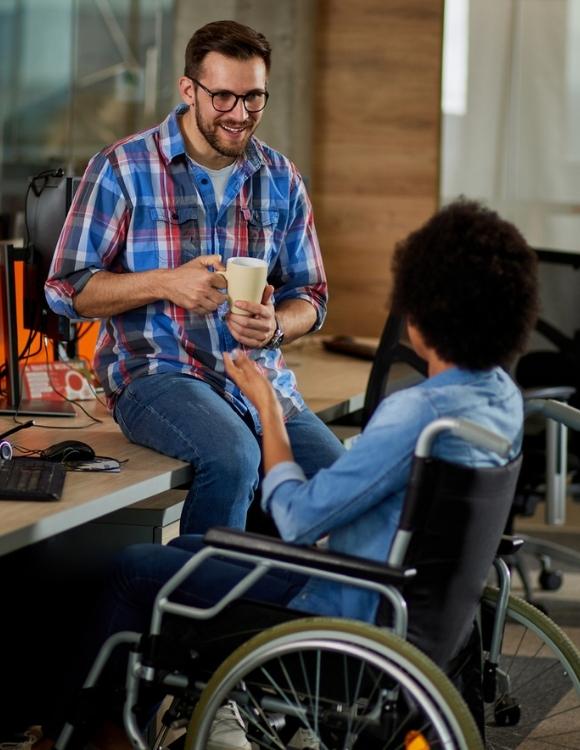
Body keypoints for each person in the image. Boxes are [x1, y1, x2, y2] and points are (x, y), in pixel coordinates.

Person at [38, 199, 538, 748]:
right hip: (404, 610)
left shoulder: (415, 415)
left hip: (338, 620)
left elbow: (297, 518)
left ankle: (74, 735)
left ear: (424, 313)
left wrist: (269, 409)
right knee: (193, 549)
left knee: (135, 568)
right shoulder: (500, 400)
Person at [45, 20, 343, 535]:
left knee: (339, 482)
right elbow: (67, 289)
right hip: (158, 375)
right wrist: (164, 283)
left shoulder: (281, 178)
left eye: (254, 98)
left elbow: (311, 296)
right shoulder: (122, 167)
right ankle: (200, 612)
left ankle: (281, 608)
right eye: (223, 96)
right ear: (189, 90)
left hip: (258, 381)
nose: (240, 114)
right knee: (233, 458)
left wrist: (275, 327)